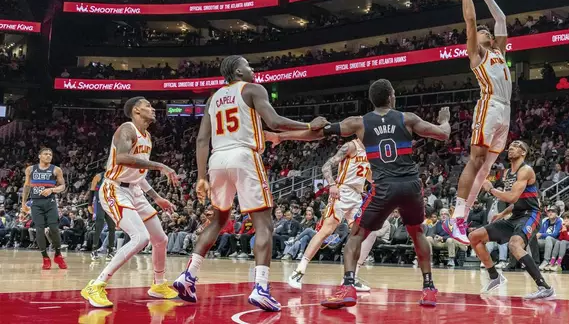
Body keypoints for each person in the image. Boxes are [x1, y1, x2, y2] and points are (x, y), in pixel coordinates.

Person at [269, 79, 451, 308]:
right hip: (410, 185)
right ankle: (429, 288)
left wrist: (285, 134)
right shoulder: (408, 118)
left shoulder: (358, 123)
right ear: (392, 97)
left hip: (383, 187)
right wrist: (445, 120)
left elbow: (317, 133)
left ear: (372, 100)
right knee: (418, 234)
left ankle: (348, 287)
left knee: (356, 235)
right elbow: (443, 134)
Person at [172, 55, 327, 312]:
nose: (252, 69)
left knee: (219, 219)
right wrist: (310, 124)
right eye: (247, 65)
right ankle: (261, 288)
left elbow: (201, 141)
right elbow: (275, 121)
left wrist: (201, 176)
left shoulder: (212, 99)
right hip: (244, 155)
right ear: (238, 72)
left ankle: (188, 276)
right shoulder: (253, 89)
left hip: (216, 160)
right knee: (264, 223)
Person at [80, 97, 180, 308]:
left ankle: (158, 284)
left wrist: (156, 197)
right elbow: (122, 159)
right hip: (114, 188)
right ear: (136, 110)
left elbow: (138, 174)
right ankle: (96, 285)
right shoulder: (126, 129)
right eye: (148, 105)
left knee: (160, 239)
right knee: (140, 237)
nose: (153, 108)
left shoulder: (148, 136)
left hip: (135, 190)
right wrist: (160, 166)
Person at [445, 0, 512, 245]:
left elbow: (502, 18)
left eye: (488, 31)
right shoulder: (477, 53)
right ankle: (455, 218)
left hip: (506, 109)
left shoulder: (498, 49)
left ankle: (464, 216)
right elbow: (471, 22)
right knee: (476, 160)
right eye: (483, 31)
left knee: (486, 169)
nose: (486, 30)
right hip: (489, 105)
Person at [281, 138, 373, 291]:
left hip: (357, 196)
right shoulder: (351, 146)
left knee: (368, 234)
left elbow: (368, 175)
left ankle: (351, 277)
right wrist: (332, 184)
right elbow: (326, 166)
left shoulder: (371, 150)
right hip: (342, 192)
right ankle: (298, 271)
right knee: (326, 231)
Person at [470, 141, 555, 300]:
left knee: (515, 244)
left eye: (516, 146)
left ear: (524, 152)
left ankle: (545, 287)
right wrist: (502, 214)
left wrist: (490, 189)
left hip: (531, 214)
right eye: (510, 146)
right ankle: (495, 276)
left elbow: (512, 197)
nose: (511, 147)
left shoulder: (526, 170)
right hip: (515, 215)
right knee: (474, 237)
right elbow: (517, 201)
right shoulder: (508, 173)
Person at [21, 148, 67, 270]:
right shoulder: (30, 169)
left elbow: (63, 186)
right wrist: (23, 204)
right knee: (39, 230)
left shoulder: (56, 169)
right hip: (35, 203)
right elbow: (26, 186)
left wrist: (52, 189)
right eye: (46, 154)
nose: (48, 156)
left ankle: (58, 254)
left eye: (50, 154)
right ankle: (45, 258)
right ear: (39, 155)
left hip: (50, 202)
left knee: (54, 229)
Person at [88, 172, 117, 261]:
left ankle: (110, 250)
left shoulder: (116, 177)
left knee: (112, 227)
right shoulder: (98, 176)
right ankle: (94, 250)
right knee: (99, 226)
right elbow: (92, 191)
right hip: (100, 204)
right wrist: (89, 205)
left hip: (110, 205)